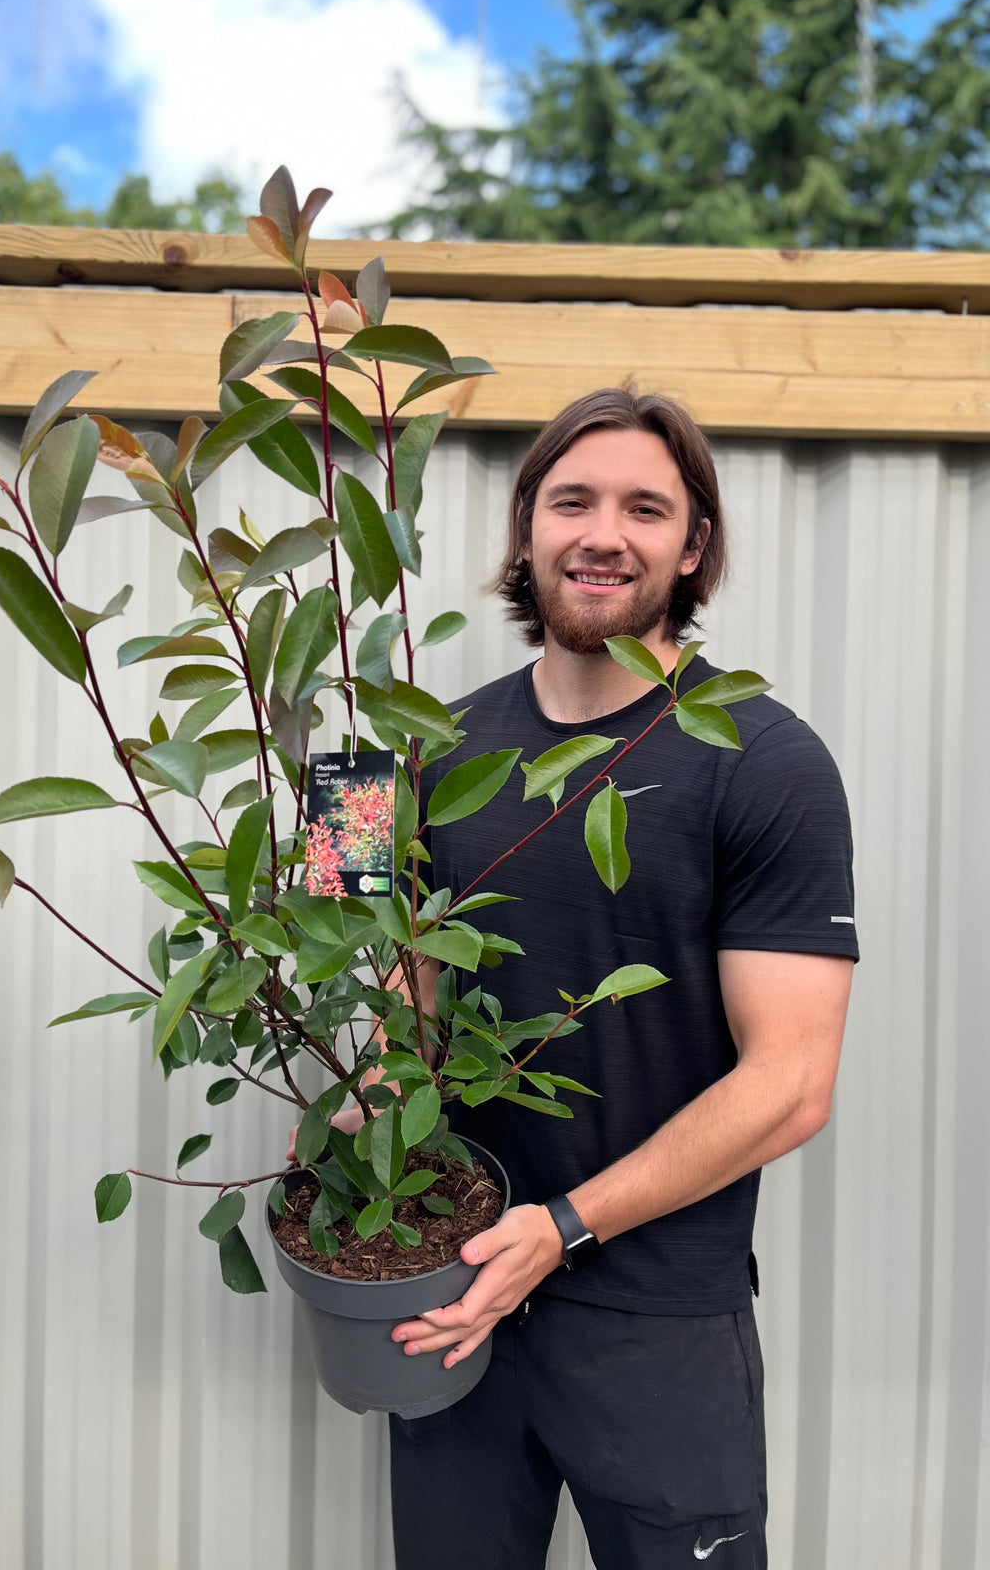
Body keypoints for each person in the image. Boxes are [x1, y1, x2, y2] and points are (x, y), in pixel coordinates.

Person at [378, 389, 858, 1570]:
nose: (605, 533)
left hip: (655, 1313)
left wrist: (564, 1228)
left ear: (692, 547)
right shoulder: (427, 748)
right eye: (573, 500)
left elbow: (793, 1082)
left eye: (646, 507)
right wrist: (359, 1123)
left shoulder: (767, 762)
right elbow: (393, 1006)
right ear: (527, 529)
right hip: (452, 1292)